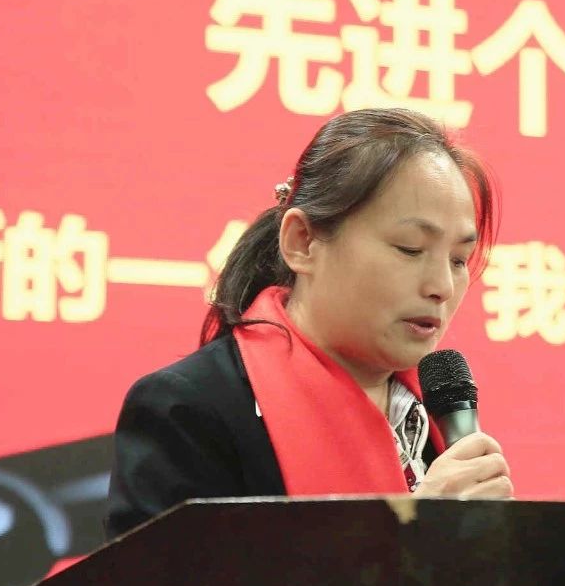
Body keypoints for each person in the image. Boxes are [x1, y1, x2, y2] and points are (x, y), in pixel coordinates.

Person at [104, 109, 513, 540]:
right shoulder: (190, 412)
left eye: (459, 260)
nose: (442, 287)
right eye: (410, 249)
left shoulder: (434, 417)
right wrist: (416, 532)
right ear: (302, 242)